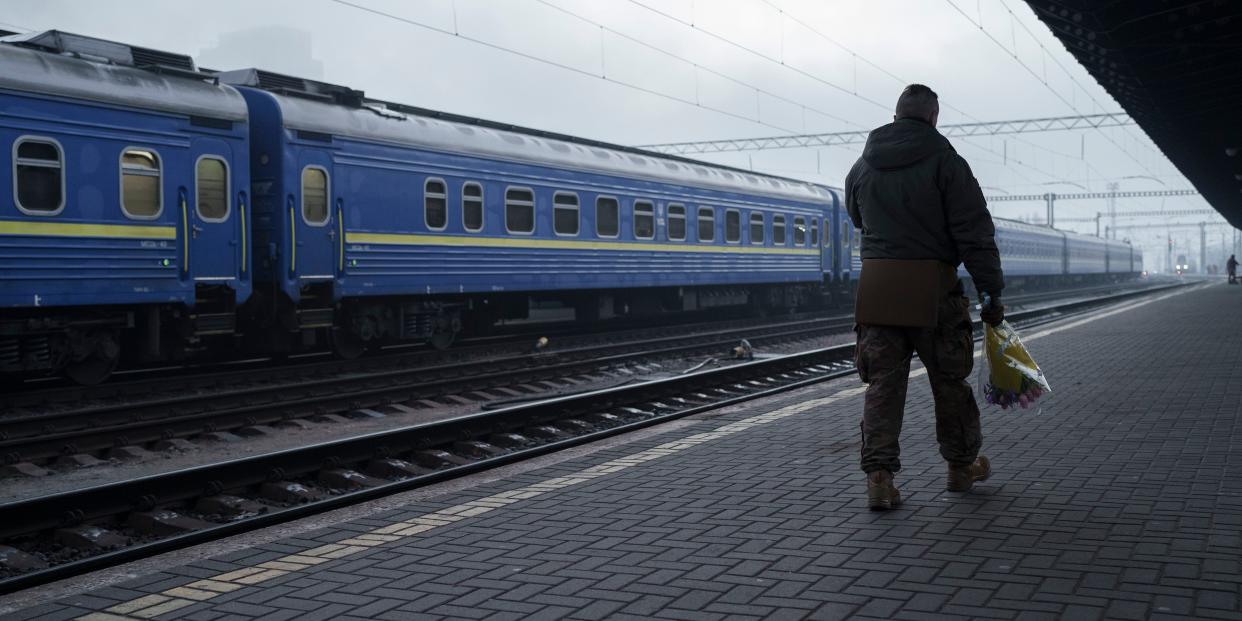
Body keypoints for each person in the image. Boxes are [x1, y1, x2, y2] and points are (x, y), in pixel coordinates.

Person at [845, 84, 1005, 511]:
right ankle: (960, 468)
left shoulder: (863, 165)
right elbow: (974, 232)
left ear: (896, 116)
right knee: (949, 384)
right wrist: (991, 290)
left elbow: (856, 216)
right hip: (933, 291)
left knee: (882, 386)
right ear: (933, 118)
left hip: (877, 290)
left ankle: (879, 479)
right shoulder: (947, 162)